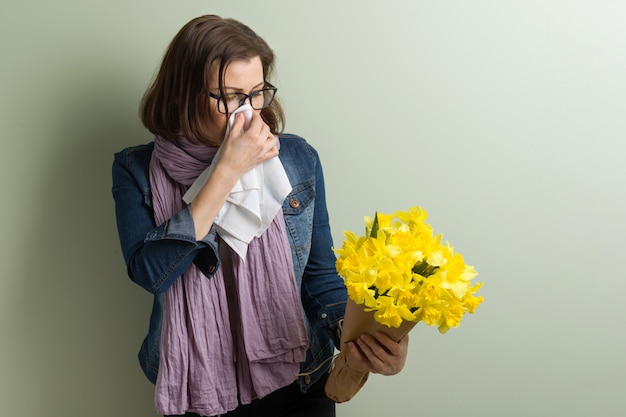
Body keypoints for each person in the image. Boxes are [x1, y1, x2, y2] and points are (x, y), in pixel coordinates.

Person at [112, 15, 409, 417]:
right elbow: (152, 272)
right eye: (232, 96)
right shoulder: (137, 169)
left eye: (257, 93)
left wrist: (362, 342)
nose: (249, 112)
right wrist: (227, 170)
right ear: (184, 96)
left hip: (300, 380)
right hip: (195, 390)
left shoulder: (296, 158)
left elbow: (320, 277)